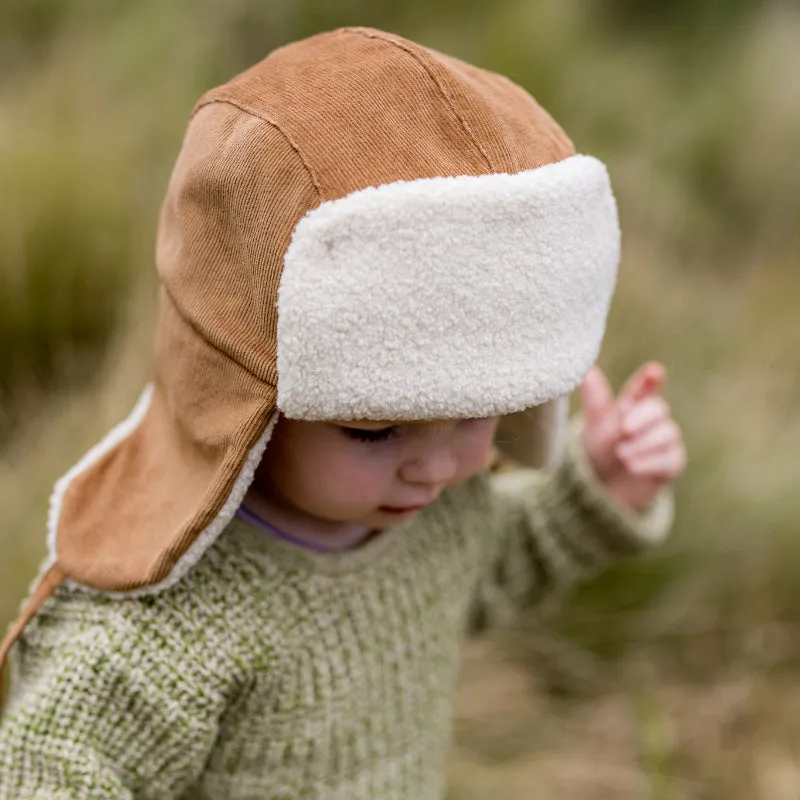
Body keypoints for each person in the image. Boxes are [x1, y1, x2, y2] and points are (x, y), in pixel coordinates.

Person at [0, 26, 686, 799]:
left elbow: (496, 564)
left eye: (473, 416)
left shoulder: (439, 518)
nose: (435, 466)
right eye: (372, 429)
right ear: (246, 397)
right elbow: (50, 770)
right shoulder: (162, 626)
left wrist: (598, 483)